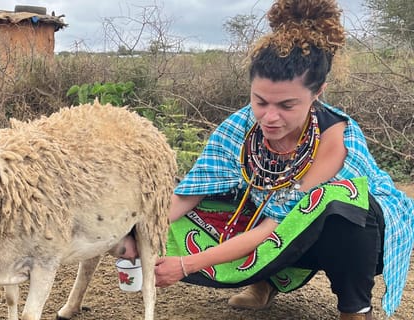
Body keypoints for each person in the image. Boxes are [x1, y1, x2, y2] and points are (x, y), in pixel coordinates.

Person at [117, 0, 413, 319]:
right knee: (181, 203)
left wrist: (186, 265)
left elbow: (276, 226)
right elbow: (190, 191)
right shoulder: (239, 129)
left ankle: (355, 308)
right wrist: (137, 231)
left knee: (340, 204)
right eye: (260, 101)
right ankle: (265, 280)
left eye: (287, 105)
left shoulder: (335, 138)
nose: (269, 118)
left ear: (317, 92)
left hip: (354, 235)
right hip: (277, 226)